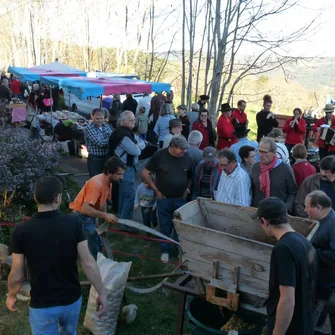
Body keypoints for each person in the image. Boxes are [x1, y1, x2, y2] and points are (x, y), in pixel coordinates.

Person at [7, 176, 107, 334]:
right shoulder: (74, 223)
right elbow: (88, 263)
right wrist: (101, 292)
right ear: (58, 198)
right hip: (71, 301)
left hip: (42, 305)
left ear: (35, 198)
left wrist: (12, 294)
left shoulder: (21, 230)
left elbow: (17, 273)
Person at [252, 197, 318, 335]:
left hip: (291, 328)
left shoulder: (283, 249)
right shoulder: (305, 242)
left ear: (264, 221)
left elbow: (287, 300)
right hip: (306, 323)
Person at [142, 135, 193, 263]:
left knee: (179, 226)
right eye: (181, 149)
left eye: (185, 149)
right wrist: (156, 191)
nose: (184, 151)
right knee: (165, 225)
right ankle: (165, 250)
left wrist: (187, 191)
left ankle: (178, 251)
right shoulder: (159, 155)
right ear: (172, 146)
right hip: (163, 198)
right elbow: (145, 173)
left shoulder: (186, 156)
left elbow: (191, 176)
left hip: (181, 198)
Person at [69, 157, 125, 259]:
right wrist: (105, 215)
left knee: (98, 242)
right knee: (93, 248)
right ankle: (94, 268)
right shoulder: (97, 184)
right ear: (109, 172)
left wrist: (105, 222)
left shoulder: (109, 183)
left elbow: (102, 202)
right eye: (119, 174)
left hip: (90, 215)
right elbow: (85, 209)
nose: (122, 177)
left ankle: (99, 264)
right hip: (82, 215)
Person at [304, 190, 335, 334]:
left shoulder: (333, 224)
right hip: (316, 278)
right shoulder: (321, 220)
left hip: (325, 281)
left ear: (318, 207)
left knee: (319, 318)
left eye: (307, 207)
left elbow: (333, 256)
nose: (305, 210)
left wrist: (310, 251)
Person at [108, 111, 145, 220]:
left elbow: (140, 143)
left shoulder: (125, 132)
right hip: (125, 167)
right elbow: (136, 151)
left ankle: (121, 218)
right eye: (131, 120)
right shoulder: (123, 135)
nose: (134, 122)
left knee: (124, 194)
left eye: (134, 119)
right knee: (130, 195)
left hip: (124, 166)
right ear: (123, 121)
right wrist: (139, 145)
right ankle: (125, 222)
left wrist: (138, 145)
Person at [251, 138, 297, 211]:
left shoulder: (285, 169)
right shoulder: (255, 167)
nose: (261, 155)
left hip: (278, 213)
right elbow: (252, 190)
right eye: (259, 151)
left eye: (264, 152)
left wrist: (287, 208)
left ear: (274, 153)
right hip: (258, 211)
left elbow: (292, 192)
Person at [84, 108, 113, 177]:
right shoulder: (89, 128)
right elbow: (100, 143)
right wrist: (109, 139)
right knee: (96, 182)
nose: (100, 121)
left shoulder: (106, 125)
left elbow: (112, 136)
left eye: (101, 118)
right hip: (95, 160)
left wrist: (107, 139)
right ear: (92, 116)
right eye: (97, 118)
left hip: (106, 158)